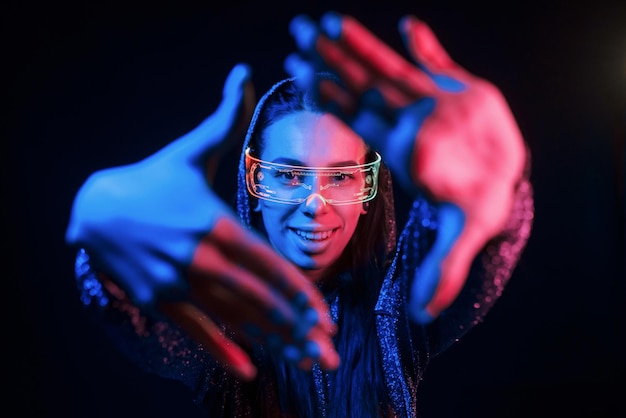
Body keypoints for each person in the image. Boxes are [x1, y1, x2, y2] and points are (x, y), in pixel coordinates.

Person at [65, 11, 534, 417]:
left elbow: (463, 244)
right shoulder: (221, 315)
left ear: (370, 185)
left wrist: (501, 188)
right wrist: (101, 229)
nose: (315, 204)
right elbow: (133, 309)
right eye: (290, 176)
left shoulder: (395, 310)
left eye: (341, 177)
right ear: (255, 182)